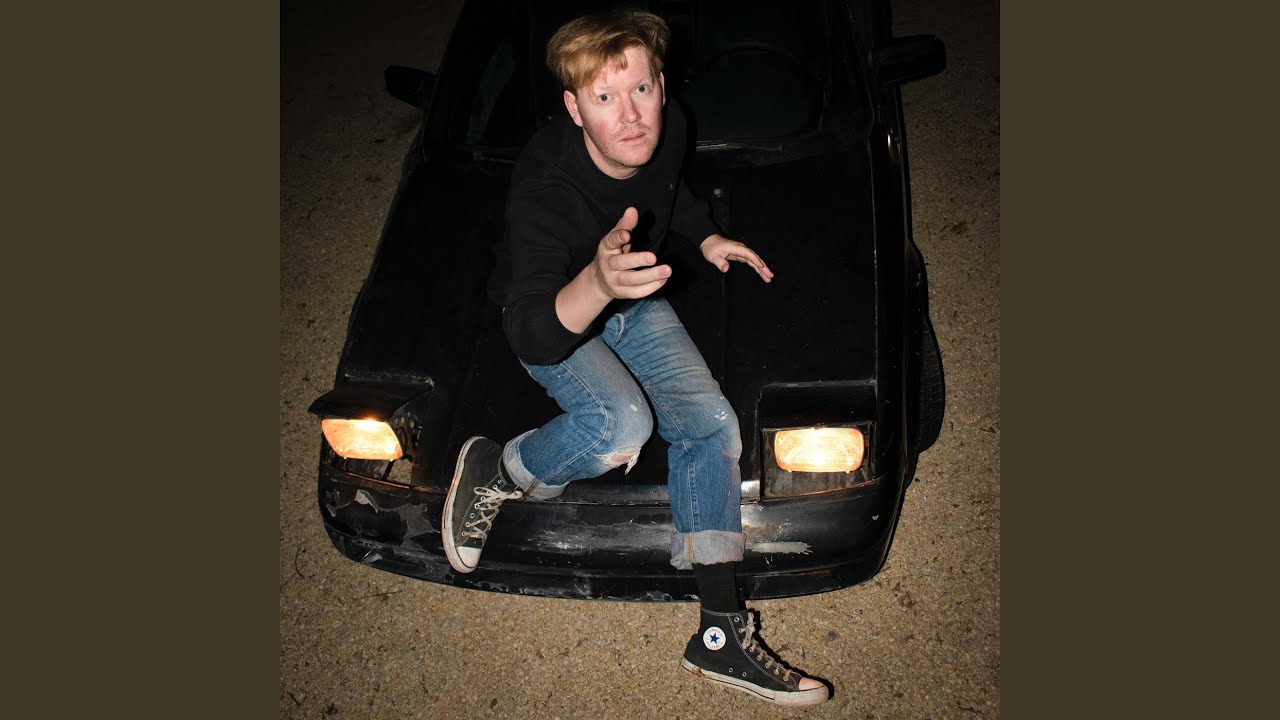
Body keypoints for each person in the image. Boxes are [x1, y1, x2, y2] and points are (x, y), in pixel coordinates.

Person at [441, 8, 830, 706]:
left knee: (711, 425)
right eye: (604, 97)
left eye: (641, 89)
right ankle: (499, 470)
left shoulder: (668, 124)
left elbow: (668, 193)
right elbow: (532, 334)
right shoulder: (545, 187)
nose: (631, 117)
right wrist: (595, 282)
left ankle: (720, 634)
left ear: (661, 86)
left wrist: (705, 237)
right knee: (621, 425)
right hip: (558, 309)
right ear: (574, 108)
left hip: (628, 293)